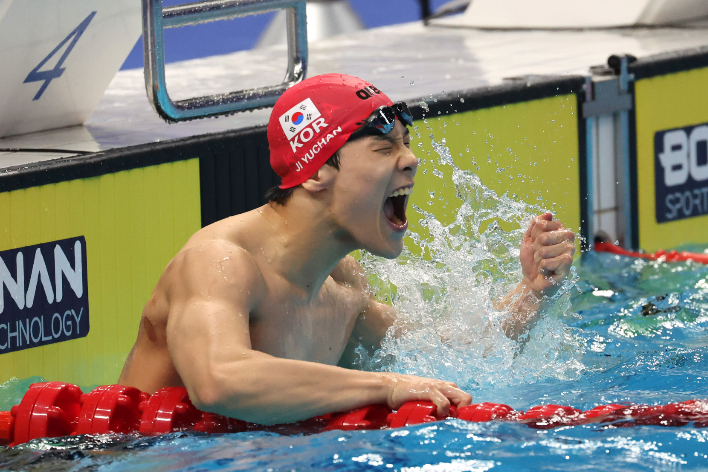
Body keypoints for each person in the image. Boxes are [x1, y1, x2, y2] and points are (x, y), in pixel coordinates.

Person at [118, 74, 575, 425]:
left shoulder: (341, 281)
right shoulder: (221, 262)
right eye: (383, 147)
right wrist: (386, 387)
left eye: (407, 144)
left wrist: (532, 292)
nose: (411, 159)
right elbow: (219, 380)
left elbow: (449, 349)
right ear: (316, 172)